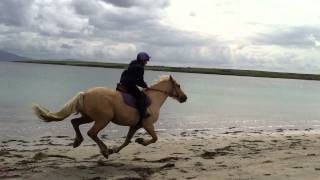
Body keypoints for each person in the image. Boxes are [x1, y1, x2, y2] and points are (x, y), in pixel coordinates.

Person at [119, 52, 151, 122]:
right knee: (141, 96)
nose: (146, 62)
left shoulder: (132, 64)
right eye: (146, 60)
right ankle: (143, 113)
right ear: (142, 60)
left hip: (123, 83)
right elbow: (140, 80)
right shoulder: (140, 68)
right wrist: (146, 86)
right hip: (129, 84)